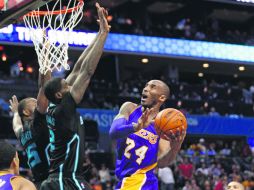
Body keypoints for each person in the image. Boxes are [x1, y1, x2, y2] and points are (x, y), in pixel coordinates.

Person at [40, 3, 110, 190]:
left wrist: (99, 33)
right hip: (65, 179)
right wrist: (104, 35)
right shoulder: (64, 108)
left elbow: (78, 66)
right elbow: (87, 71)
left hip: (60, 177)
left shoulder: (57, 105)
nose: (70, 85)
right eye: (66, 85)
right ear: (59, 94)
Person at [109, 80, 186, 189]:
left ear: (162, 98)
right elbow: (113, 132)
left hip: (143, 180)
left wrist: (176, 145)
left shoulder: (164, 126)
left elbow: (162, 163)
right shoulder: (130, 108)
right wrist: (135, 127)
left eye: (152, 87)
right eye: (146, 86)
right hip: (126, 180)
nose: (146, 89)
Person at [9, 38, 51, 188]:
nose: (38, 103)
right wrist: (45, 57)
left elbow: (16, 125)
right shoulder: (37, 124)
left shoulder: (22, 133)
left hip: (39, 182)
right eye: (35, 102)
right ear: (27, 111)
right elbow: (45, 88)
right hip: (52, 180)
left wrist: (15, 113)